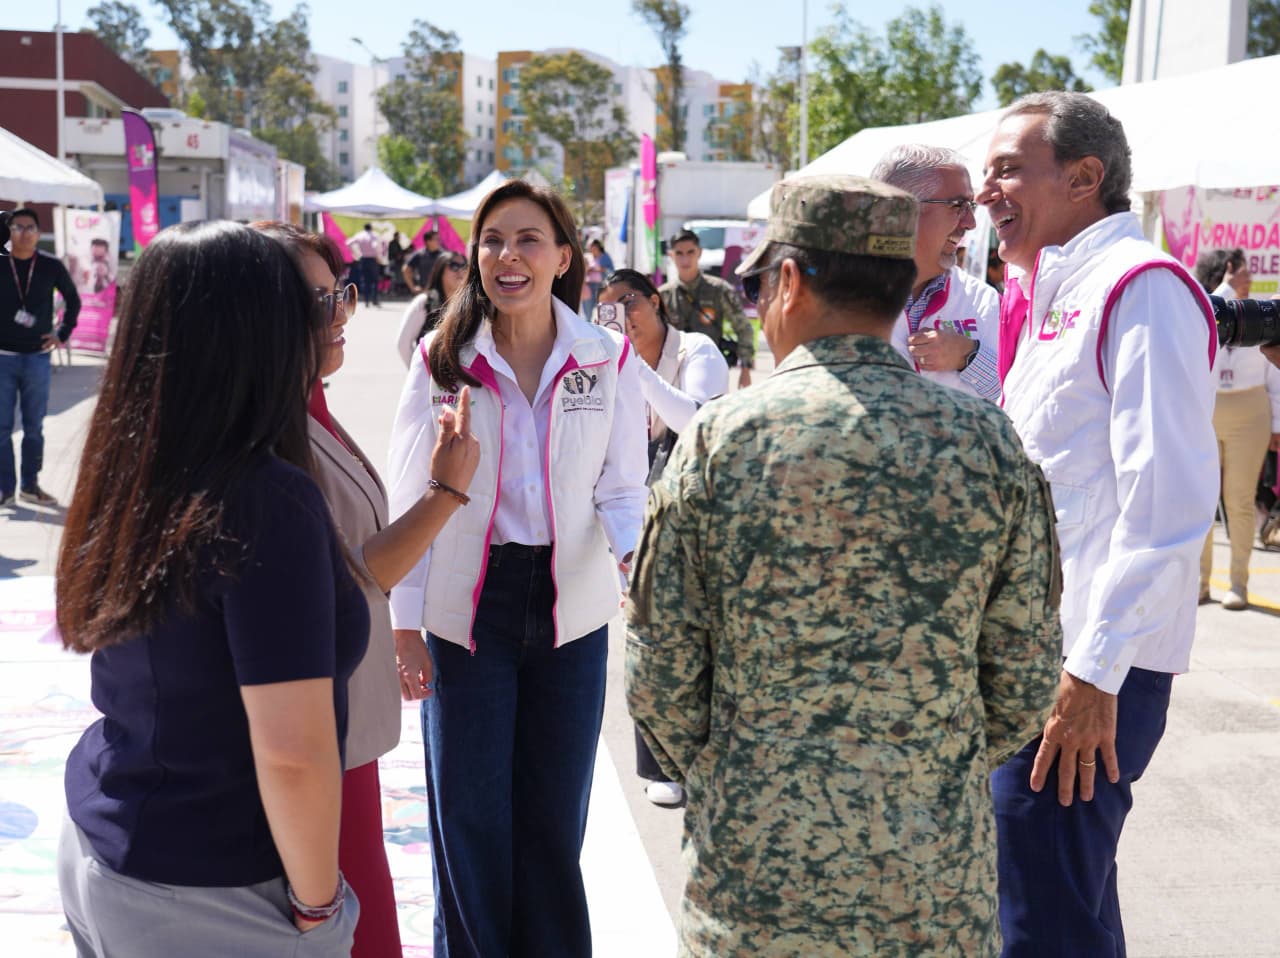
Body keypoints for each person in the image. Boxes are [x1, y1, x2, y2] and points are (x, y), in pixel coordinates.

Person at [626, 174, 1063, 957]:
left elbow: (658, 672)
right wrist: (929, 761)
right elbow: (1027, 678)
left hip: (756, 889)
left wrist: (740, 769)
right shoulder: (989, 444)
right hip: (932, 890)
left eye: (761, 284)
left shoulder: (718, 444)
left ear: (790, 281)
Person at [55, 221, 365, 957]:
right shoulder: (263, 497)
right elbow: (292, 753)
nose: (323, 321)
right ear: (258, 331)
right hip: (210, 887)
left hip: (109, 841)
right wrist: (318, 902)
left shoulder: (133, 460)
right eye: (303, 305)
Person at [977, 91, 1219, 957]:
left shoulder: (1140, 287)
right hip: (1043, 659)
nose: (986, 191)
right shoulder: (1053, 290)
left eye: (1008, 170)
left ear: (1085, 177)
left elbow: (1169, 507)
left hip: (1088, 673)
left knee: (1041, 927)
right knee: (1058, 910)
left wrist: (1091, 674)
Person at [387, 180, 647, 957]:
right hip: (469, 613)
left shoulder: (607, 357)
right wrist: (404, 625)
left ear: (564, 257)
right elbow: (408, 494)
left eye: (529, 239)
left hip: (573, 610)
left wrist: (636, 562)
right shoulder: (443, 359)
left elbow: (623, 489)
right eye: (493, 240)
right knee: (470, 819)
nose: (508, 256)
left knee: (552, 820)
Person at [252, 221, 480, 958]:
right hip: (314, 734)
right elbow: (346, 580)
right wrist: (445, 493)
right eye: (322, 299)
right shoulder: (268, 436)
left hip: (339, 722)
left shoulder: (304, 401)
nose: (343, 312)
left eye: (342, 293)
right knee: (353, 925)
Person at [597, 267, 728, 809]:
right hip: (636, 512)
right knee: (647, 635)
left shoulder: (697, 350)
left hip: (698, 511)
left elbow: (694, 422)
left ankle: (705, 756)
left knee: (700, 637)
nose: (622, 317)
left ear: (656, 301)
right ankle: (658, 766)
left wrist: (635, 367)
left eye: (629, 302)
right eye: (607, 308)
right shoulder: (602, 355)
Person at [870, 145, 1001, 402]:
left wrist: (969, 356)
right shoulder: (837, 295)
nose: (970, 223)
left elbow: (1018, 394)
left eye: (971, 206)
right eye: (958, 205)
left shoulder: (983, 301)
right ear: (900, 210)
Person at [1193, 248, 1280, 610]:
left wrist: (1277, 424)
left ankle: (1238, 584)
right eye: (1242, 272)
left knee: (1240, 499)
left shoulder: (1258, 313)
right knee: (1201, 500)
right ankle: (1199, 584)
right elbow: (1200, 326)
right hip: (1208, 410)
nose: (1249, 279)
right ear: (1225, 272)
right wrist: (1226, 290)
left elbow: (1274, 376)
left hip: (1250, 410)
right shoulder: (1200, 307)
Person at [0, 207, 81, 507]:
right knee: (2, 428)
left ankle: (30, 485)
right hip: (3, 358)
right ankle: (5, 489)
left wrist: (62, 333)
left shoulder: (50, 266)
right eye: (17, 227)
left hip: (37, 358)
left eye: (30, 227)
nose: (24, 232)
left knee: (34, 427)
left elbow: (73, 300)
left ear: (39, 232)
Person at [659, 228, 756, 387]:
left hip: (710, 369)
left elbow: (743, 328)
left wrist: (745, 369)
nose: (685, 259)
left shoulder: (719, 290)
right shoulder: (663, 296)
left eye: (690, 252)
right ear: (671, 255)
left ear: (699, 252)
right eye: (679, 253)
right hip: (673, 372)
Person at [395, 249, 469, 367]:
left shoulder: (471, 305)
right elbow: (403, 344)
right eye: (454, 266)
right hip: (430, 374)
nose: (460, 271)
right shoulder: (424, 302)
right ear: (440, 271)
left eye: (464, 266)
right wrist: (419, 371)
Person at [347, 223, 383, 307]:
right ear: (371, 228)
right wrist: (378, 256)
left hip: (363, 259)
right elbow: (376, 246)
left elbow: (348, 243)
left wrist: (356, 254)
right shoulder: (374, 236)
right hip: (373, 260)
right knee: (374, 281)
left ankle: (366, 301)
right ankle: (374, 300)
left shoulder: (360, 236)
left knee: (365, 281)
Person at [403, 229, 443, 294]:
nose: (439, 242)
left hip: (441, 292)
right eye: (436, 239)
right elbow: (405, 270)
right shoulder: (420, 254)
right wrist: (412, 288)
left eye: (439, 239)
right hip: (425, 292)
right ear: (428, 241)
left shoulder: (444, 255)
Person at [582, 238, 614, 317]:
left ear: (597, 247)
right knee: (587, 311)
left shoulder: (605, 257)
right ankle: (587, 323)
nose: (591, 249)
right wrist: (587, 269)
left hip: (601, 286)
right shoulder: (587, 257)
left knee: (603, 310)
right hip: (588, 286)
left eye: (592, 247)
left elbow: (612, 271)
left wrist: (601, 269)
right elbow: (581, 270)